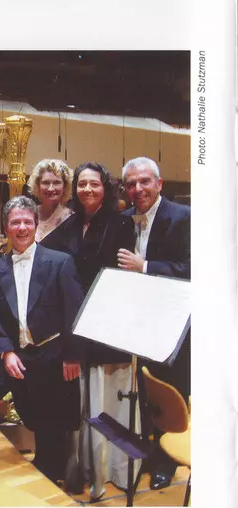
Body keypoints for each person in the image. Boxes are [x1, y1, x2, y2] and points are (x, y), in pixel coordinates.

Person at [0, 196, 84, 483]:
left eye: (27, 221)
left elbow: (74, 313)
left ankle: (49, 470)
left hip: (50, 354)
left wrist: (72, 355)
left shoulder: (60, 262)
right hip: (14, 353)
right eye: (15, 222)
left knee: (49, 418)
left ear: (36, 225)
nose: (22, 228)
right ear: (6, 227)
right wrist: (6, 352)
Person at [42, 162, 136, 498]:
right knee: (81, 397)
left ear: (104, 187)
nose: (87, 190)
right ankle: (83, 468)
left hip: (106, 323)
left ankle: (109, 469)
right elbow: (45, 253)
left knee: (104, 397)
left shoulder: (121, 223)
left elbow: (120, 277)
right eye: (82, 184)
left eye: (94, 184)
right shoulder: (69, 224)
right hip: (76, 323)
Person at [117, 156, 191, 490]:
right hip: (135, 318)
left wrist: (145, 266)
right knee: (141, 388)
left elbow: (192, 269)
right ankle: (148, 449)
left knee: (168, 390)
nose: (138, 189)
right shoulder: (123, 220)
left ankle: (166, 459)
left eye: (145, 181)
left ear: (159, 184)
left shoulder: (184, 217)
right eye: (131, 184)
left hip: (170, 320)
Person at [27, 158, 73, 242]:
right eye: (45, 183)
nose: (50, 188)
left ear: (65, 186)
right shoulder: (29, 214)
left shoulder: (72, 219)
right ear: (38, 185)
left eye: (56, 183)